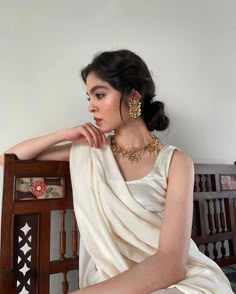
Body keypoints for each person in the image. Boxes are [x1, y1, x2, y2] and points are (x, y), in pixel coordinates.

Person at [0, 49, 233, 294]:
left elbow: (171, 264)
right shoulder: (90, 152)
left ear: (133, 96)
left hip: (175, 279)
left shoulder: (176, 162)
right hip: (112, 278)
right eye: (88, 98)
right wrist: (63, 134)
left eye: (99, 95)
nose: (91, 107)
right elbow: (8, 159)